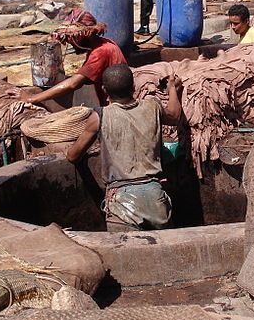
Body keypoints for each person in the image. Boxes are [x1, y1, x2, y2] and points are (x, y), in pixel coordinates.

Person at [67, 64, 183, 232]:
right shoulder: (153, 106)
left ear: (104, 90)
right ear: (133, 87)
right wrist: (173, 89)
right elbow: (175, 115)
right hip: (155, 199)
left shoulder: (99, 116)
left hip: (122, 205)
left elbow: (73, 156)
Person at [23, 10, 127, 107]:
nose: (71, 43)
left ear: (85, 35)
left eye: (72, 39)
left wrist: (32, 98)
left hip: (118, 107)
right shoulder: (103, 43)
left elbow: (74, 84)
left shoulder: (100, 52)